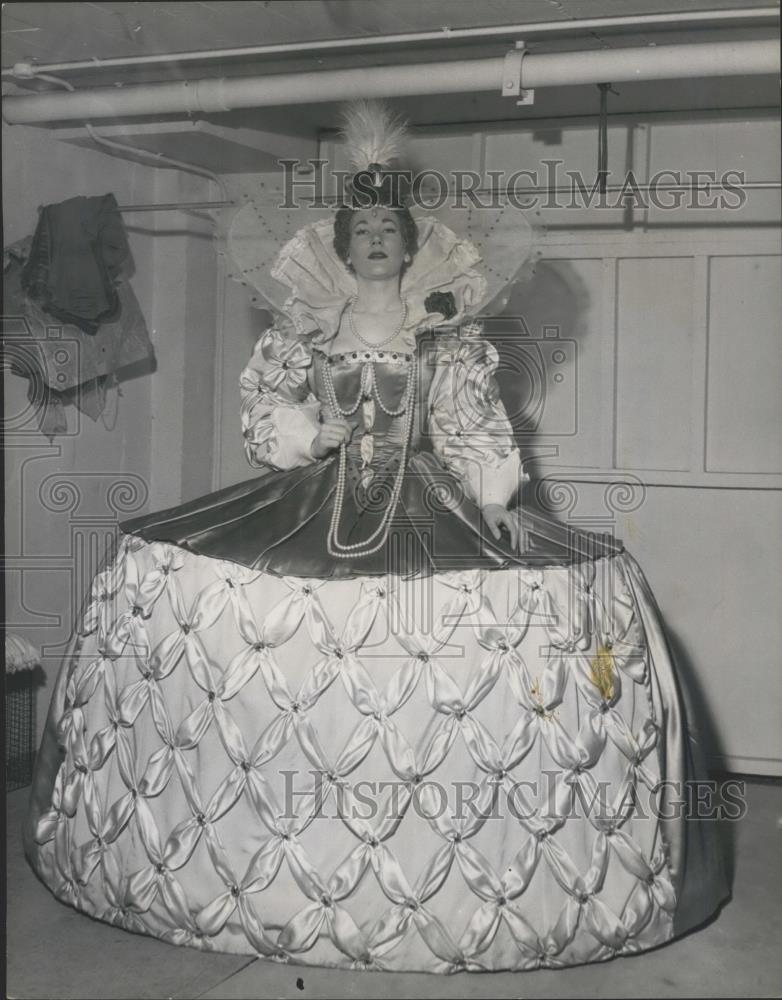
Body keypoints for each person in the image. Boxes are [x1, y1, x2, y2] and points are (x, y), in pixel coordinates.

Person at [24, 101, 728, 973]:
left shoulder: (446, 333)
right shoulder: (304, 328)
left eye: (386, 229)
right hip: (320, 496)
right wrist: (300, 433)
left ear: (409, 240)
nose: (373, 242)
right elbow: (266, 409)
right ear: (340, 245)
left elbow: (473, 418)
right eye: (358, 230)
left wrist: (498, 495)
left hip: (424, 498)